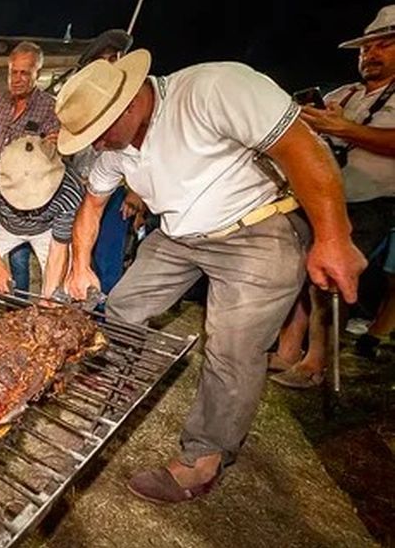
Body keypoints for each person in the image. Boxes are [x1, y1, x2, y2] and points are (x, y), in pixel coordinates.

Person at [59, 50, 365, 502]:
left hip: (256, 229)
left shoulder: (212, 88)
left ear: (125, 106)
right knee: (124, 304)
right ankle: (117, 376)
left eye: (97, 135)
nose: (96, 146)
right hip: (179, 235)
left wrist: (333, 236)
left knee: (231, 347)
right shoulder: (114, 149)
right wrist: (80, 263)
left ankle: (202, 460)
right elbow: (92, 205)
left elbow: (300, 146)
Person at [271, 6, 395, 384]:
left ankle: (316, 362)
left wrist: (343, 128)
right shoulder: (347, 92)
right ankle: (288, 351)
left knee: (332, 277)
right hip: (321, 194)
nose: (370, 54)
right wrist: (313, 122)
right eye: (364, 48)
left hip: (373, 200)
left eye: (384, 45)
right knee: (296, 270)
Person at [0, 41, 61, 294]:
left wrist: (55, 144)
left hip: (34, 204)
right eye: (13, 72)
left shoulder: (50, 106)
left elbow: (57, 151)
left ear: (37, 74)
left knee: (44, 267)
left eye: (25, 73)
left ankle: (30, 307)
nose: (17, 79)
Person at [70, 30, 146, 295]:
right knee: (79, 254)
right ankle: (81, 310)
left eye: (111, 60)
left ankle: (106, 317)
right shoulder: (82, 98)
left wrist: (136, 191)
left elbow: (143, 147)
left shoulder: (133, 95)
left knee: (107, 259)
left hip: (116, 191)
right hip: (81, 187)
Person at [0, 135, 82, 297]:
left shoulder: (69, 189)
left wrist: (49, 298)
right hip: (4, 225)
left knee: (60, 290)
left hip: (47, 229)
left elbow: (59, 247)